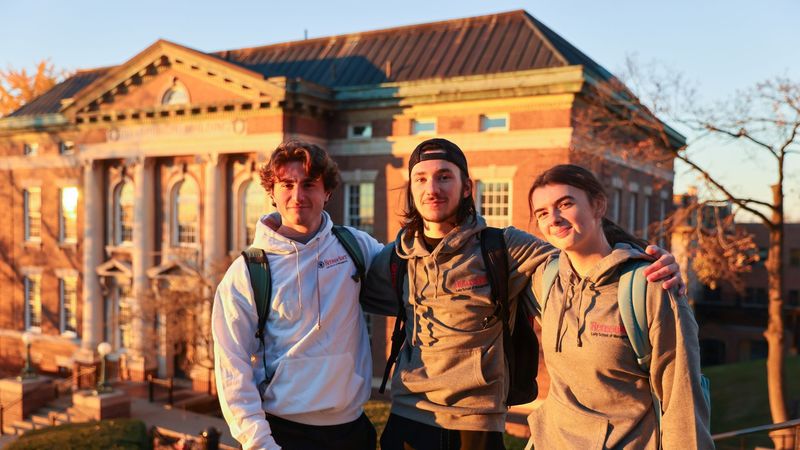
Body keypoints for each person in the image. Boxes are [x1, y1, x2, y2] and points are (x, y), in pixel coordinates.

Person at [361, 138, 684, 450]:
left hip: (477, 421)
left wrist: (641, 257)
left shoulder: (502, 247)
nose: (432, 189)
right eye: (421, 179)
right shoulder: (395, 258)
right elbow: (345, 291)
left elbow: (578, 247)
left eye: (444, 177)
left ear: (467, 187)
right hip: (408, 413)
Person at [525, 164, 713, 449]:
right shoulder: (545, 279)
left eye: (565, 204)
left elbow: (681, 397)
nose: (554, 218)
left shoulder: (650, 286)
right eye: (542, 213)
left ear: (598, 206)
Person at [212, 140, 384, 450]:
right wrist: (260, 443)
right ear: (272, 192)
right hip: (284, 434)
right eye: (287, 185)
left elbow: (412, 278)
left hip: (353, 431)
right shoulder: (248, 272)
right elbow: (232, 367)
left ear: (327, 192)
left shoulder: (356, 247)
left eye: (309, 184)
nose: (298, 195)